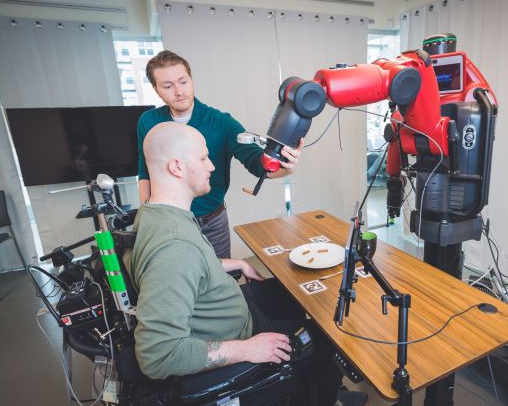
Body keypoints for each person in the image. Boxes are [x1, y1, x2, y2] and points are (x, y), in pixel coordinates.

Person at [127, 122, 366, 406]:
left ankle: (319, 383)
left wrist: (233, 263)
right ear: (177, 167)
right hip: (239, 336)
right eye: (203, 158)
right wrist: (248, 349)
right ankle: (324, 394)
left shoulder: (157, 213)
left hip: (230, 313)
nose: (212, 166)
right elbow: (158, 356)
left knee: (297, 296)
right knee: (329, 338)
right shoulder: (174, 249)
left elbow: (192, 267)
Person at [137, 50, 303, 258]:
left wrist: (287, 167)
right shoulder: (148, 122)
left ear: (191, 79)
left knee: (223, 280)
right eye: (168, 86)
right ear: (156, 89)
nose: (179, 91)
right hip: (167, 222)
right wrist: (145, 220)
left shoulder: (222, 122)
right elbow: (145, 172)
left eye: (183, 81)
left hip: (211, 222)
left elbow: (257, 164)